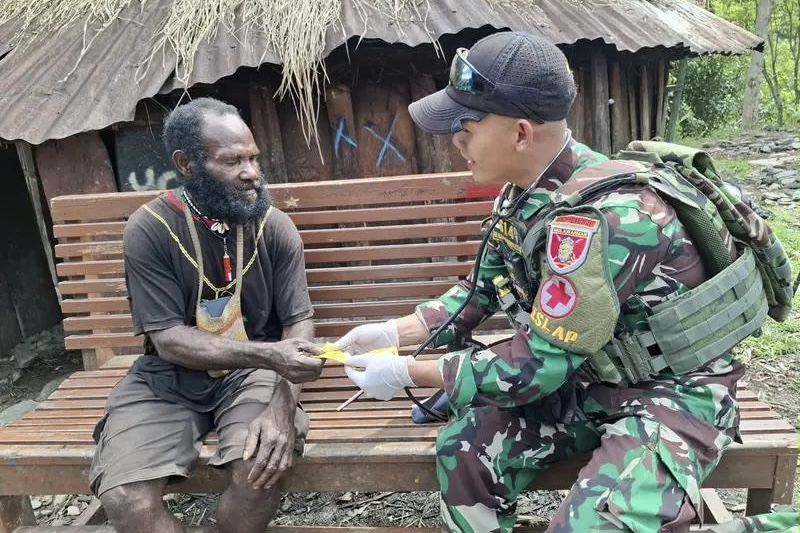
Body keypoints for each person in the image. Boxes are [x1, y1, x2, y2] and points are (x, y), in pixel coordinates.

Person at [335, 32, 792, 532]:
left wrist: (408, 372)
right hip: (589, 384)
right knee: (464, 450)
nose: (455, 140)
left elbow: (536, 365)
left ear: (521, 133)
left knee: (587, 526)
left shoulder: (610, 219)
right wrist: (393, 332)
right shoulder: (523, 198)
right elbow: (478, 292)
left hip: (675, 394)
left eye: (465, 125)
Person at [89, 97, 324, 533]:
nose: (251, 172)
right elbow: (169, 340)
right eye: (232, 161)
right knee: (126, 499)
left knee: (258, 472)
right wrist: (272, 356)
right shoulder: (150, 229)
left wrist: (281, 405)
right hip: (167, 377)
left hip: (252, 376)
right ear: (187, 164)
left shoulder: (274, 227)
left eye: (253, 158)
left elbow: (299, 326)